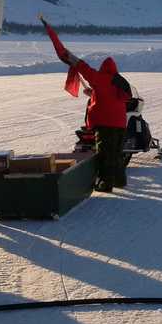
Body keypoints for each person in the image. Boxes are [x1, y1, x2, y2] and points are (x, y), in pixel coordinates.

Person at [41, 15, 131, 192]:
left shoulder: (101, 78)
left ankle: (105, 183)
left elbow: (84, 68)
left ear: (104, 68)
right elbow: (118, 97)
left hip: (105, 124)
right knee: (117, 153)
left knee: (105, 154)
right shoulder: (119, 81)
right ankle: (120, 180)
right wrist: (94, 92)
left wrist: (71, 58)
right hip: (120, 124)